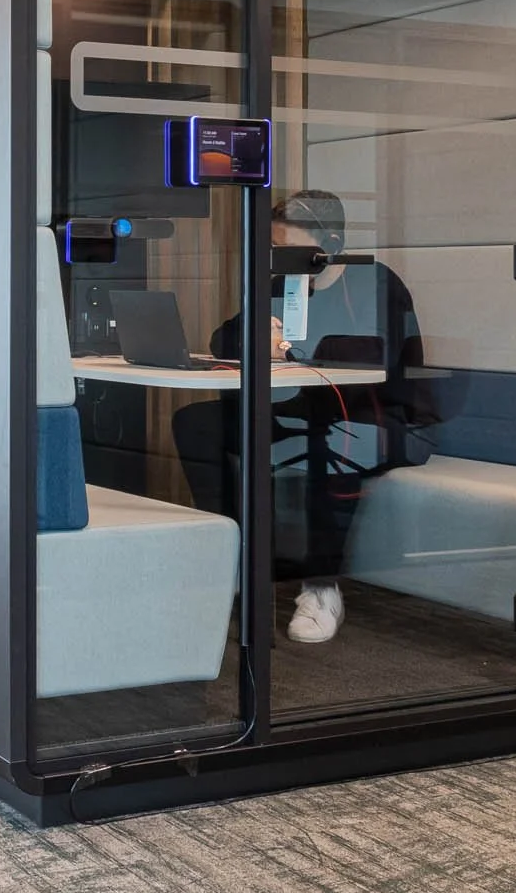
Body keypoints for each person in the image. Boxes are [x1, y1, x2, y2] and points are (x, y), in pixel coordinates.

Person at [171, 190, 434, 644]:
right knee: (198, 424)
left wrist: (291, 349)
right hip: (304, 409)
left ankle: (321, 586)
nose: (278, 257)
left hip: (378, 418)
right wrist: (254, 338)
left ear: (329, 242)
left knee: (330, 443)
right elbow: (222, 339)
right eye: (274, 248)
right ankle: (233, 558)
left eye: (287, 247)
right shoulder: (283, 284)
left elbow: (378, 355)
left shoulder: (374, 283)